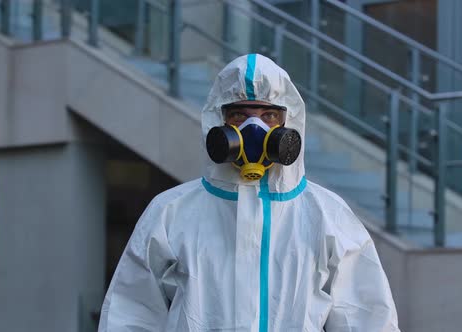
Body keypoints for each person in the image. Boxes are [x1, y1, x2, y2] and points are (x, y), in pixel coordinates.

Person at [98, 54, 400, 331]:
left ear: (288, 123)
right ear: (219, 122)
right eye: (239, 115)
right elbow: (132, 316)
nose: (254, 127)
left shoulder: (327, 215)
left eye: (269, 115)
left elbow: (368, 318)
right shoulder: (170, 213)